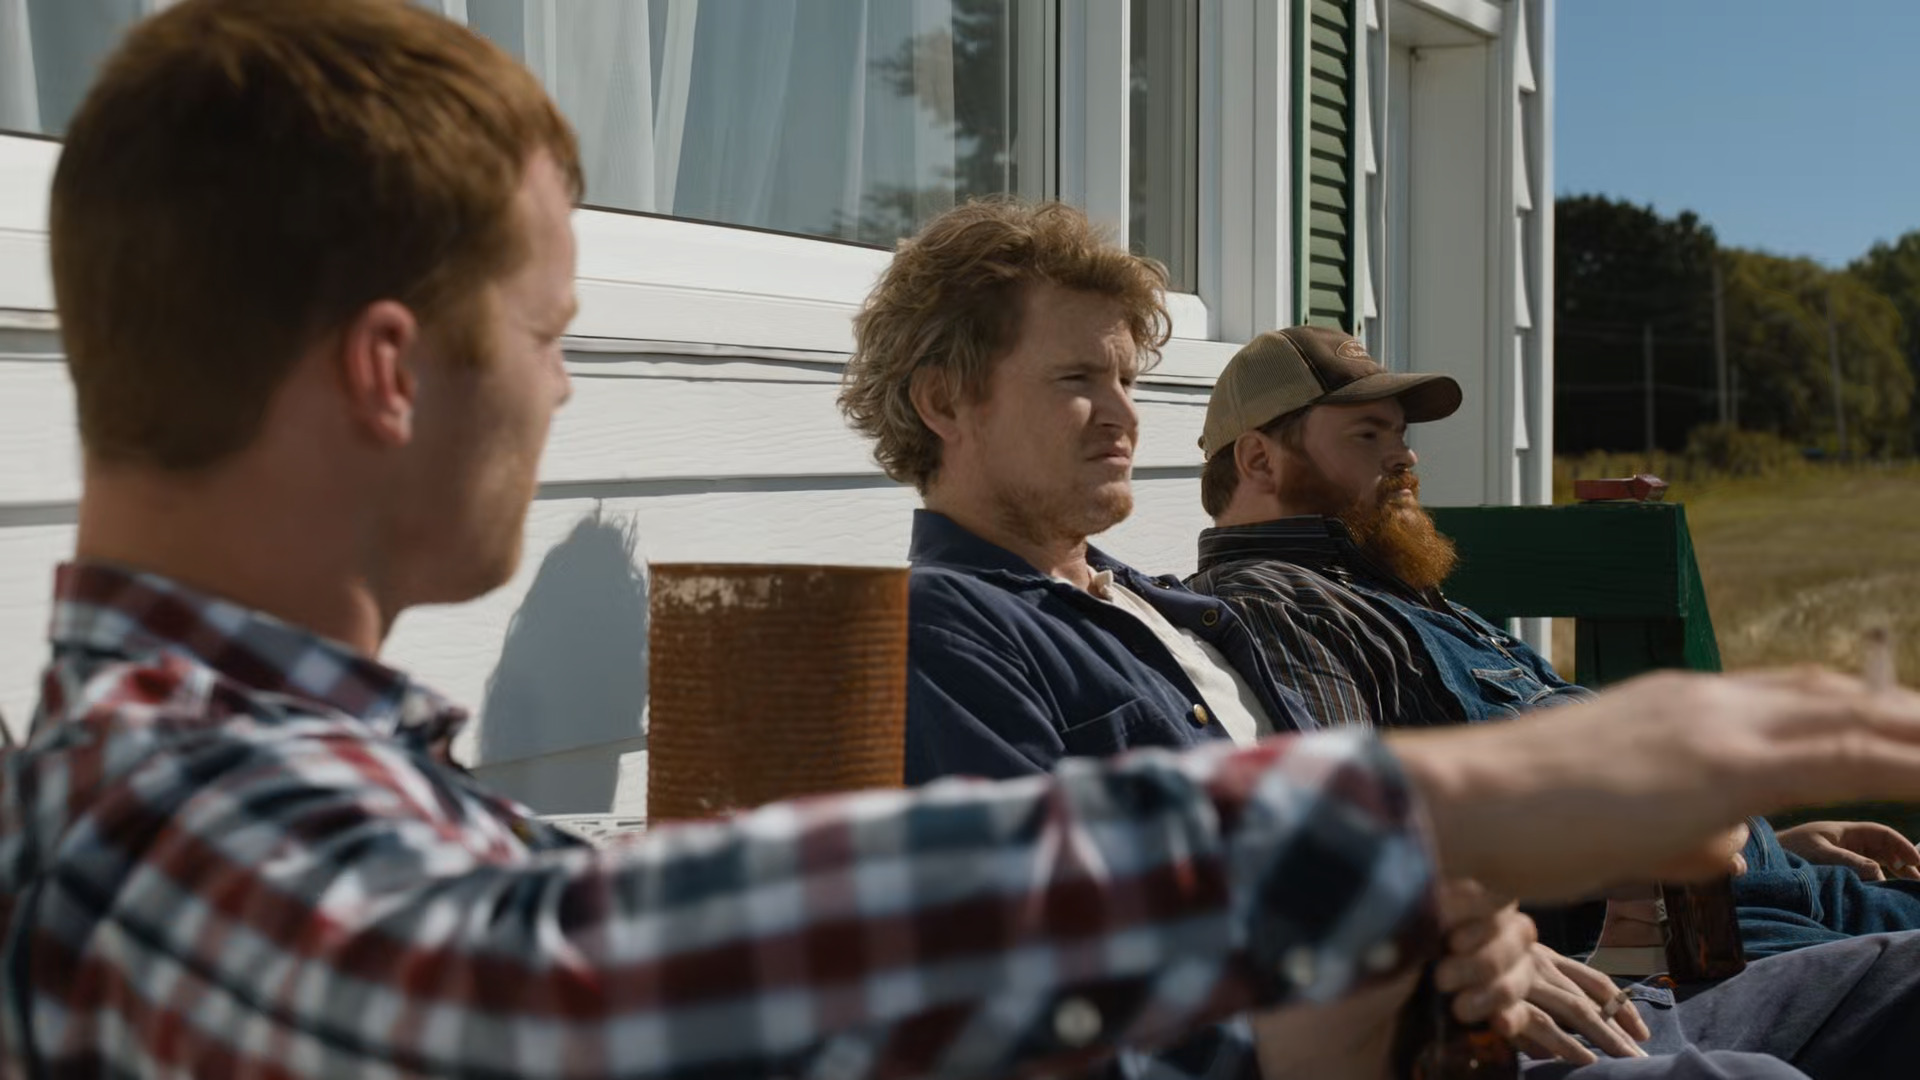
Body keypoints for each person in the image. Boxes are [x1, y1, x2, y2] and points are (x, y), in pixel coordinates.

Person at [11, 4, 1920, 1078]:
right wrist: (1435, 810)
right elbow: (548, 978)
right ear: (387, 372)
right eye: (550, 336)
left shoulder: (316, 778)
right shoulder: (177, 821)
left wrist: (1412, 941)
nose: (566, 396)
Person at [837, 207, 1920, 1075]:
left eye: (1127, 380)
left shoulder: (1170, 612)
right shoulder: (951, 632)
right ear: (945, 402)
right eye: (1077, 380)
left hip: (1545, 1001)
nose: (1123, 415)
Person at [1185, 324, 1920, 965]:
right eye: (1367, 435)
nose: (1406, 459)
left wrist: (1773, 847)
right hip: (1682, 938)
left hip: (1768, 885)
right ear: (1259, 461)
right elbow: (1366, 852)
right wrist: (1622, 904)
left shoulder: (1383, 585)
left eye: (1401, 435)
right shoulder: (1276, 606)